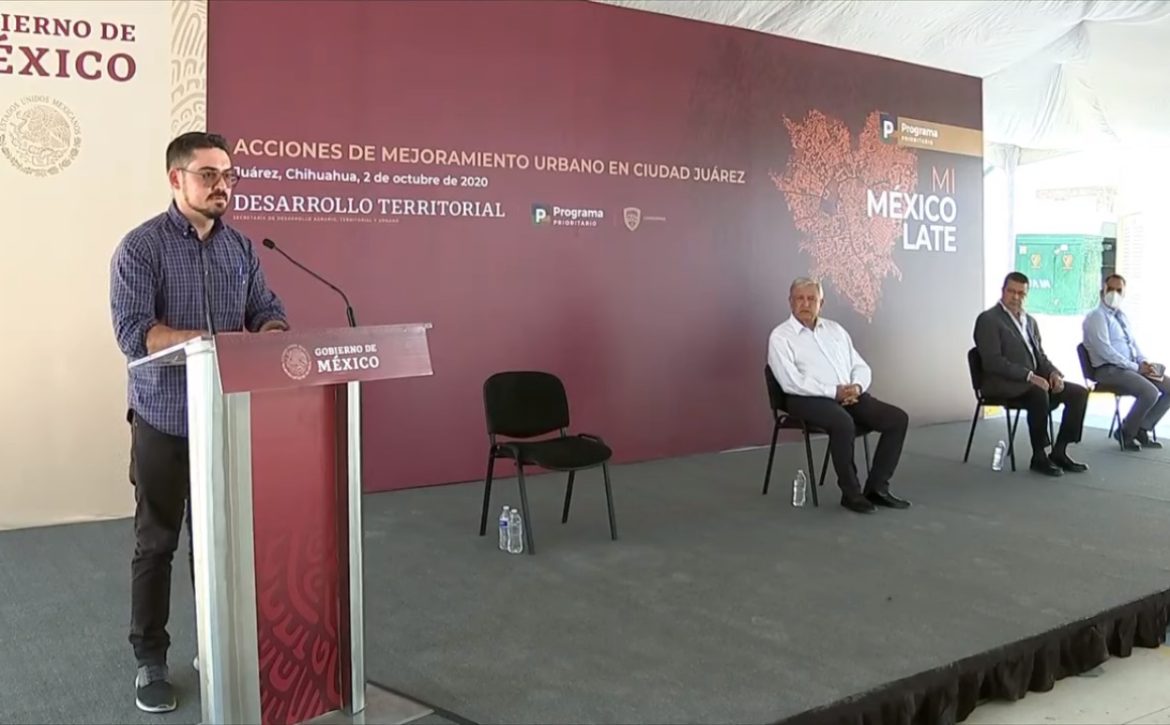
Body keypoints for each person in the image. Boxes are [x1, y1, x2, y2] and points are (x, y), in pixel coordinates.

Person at [110, 131, 289, 713]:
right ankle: (150, 660)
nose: (222, 186)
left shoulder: (240, 248)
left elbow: (264, 309)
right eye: (209, 174)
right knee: (157, 542)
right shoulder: (142, 248)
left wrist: (272, 335)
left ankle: (215, 646)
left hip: (225, 417)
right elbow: (135, 333)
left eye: (229, 175)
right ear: (176, 179)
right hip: (164, 418)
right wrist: (212, 344)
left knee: (218, 545)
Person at [767, 277, 912, 514]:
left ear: (821, 303)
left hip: (847, 395)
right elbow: (791, 381)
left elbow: (860, 365)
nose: (805, 303)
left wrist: (857, 387)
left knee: (897, 419)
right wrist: (833, 392)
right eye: (800, 298)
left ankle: (877, 488)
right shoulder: (781, 336)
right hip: (804, 399)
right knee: (842, 422)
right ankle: (851, 493)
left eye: (811, 299)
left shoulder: (835, 330)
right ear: (790, 302)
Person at [973, 271, 1088, 476]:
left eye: (1021, 293)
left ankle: (1060, 451)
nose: (1016, 297)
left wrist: (1053, 373)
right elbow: (993, 362)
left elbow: (1039, 356)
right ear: (1002, 291)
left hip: (1030, 382)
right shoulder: (988, 319)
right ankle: (1039, 456)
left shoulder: (1030, 321)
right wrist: (1029, 376)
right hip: (1001, 382)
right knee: (1038, 393)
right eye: (1011, 292)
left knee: (1078, 393)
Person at [1082, 274, 1169, 450]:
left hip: (1129, 368)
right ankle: (1126, 431)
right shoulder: (1096, 317)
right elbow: (1105, 351)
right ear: (1102, 291)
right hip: (1108, 370)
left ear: (1123, 293)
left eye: (1118, 290)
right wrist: (1136, 368)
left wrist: (1144, 362)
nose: (1114, 294)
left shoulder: (1121, 316)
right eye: (1110, 289)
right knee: (1150, 392)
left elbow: (1133, 344)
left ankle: (1142, 427)